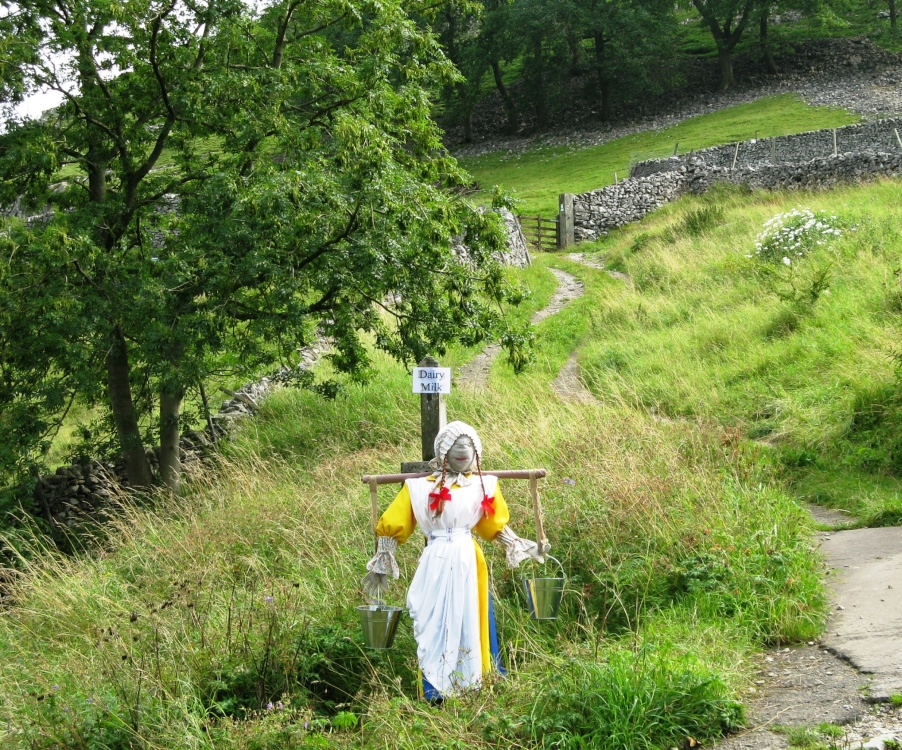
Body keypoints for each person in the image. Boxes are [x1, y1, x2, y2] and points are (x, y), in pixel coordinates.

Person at [362, 421, 546, 699]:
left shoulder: (484, 485)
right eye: (456, 447)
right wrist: (383, 559)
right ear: (443, 452)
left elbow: (491, 525)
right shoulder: (417, 488)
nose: (463, 452)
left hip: (468, 559)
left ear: (477, 454)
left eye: (469, 447)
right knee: (432, 620)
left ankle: (474, 683)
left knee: (470, 615)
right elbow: (398, 520)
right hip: (435, 559)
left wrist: (522, 546)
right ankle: (435, 689)